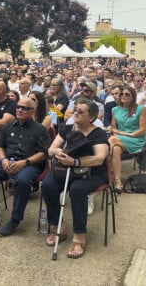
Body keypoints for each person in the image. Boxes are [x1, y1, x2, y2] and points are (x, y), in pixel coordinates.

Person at [41, 98, 110, 259]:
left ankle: (79, 236)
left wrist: (76, 161)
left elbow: (100, 158)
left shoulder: (98, 133)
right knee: (47, 186)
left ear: (91, 117)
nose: (76, 113)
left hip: (92, 172)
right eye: (75, 110)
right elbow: (51, 148)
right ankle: (58, 227)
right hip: (67, 170)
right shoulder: (67, 128)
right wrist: (56, 152)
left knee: (77, 190)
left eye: (81, 111)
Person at [0, 98, 50, 235]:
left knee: (23, 181)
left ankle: (15, 219)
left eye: (24, 108)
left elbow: (43, 153)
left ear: (32, 111)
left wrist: (25, 162)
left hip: (30, 164)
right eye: (18, 107)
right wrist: (4, 160)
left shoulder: (40, 129)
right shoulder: (8, 126)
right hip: (8, 162)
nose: (19, 110)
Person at [109, 85, 146, 193]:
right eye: (122, 94)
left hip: (136, 139)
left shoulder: (141, 109)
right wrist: (123, 134)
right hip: (120, 138)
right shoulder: (115, 109)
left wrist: (129, 135)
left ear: (133, 97)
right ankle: (118, 181)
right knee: (115, 149)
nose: (123, 96)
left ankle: (101, 165)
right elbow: (113, 128)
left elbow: (143, 130)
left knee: (112, 140)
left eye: (127, 94)